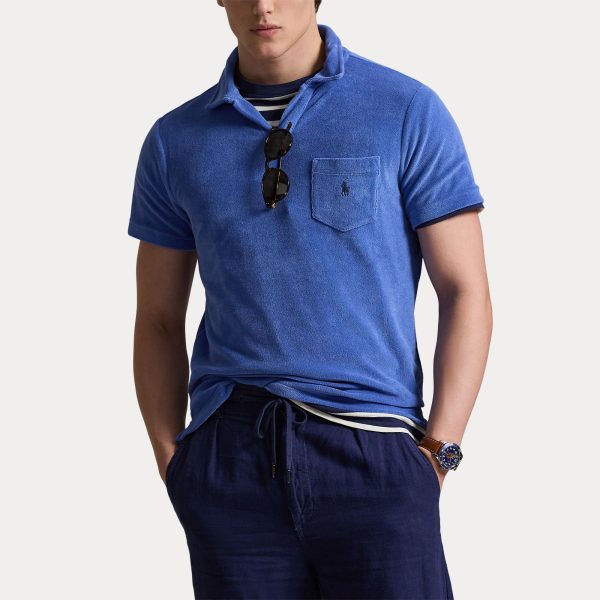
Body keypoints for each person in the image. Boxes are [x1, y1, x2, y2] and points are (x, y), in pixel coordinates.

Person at [127, 1, 493, 598]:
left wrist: (439, 453)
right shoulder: (175, 139)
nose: (263, 6)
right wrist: (175, 460)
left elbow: (465, 290)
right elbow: (159, 319)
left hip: (374, 446)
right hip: (230, 457)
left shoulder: (406, 109)